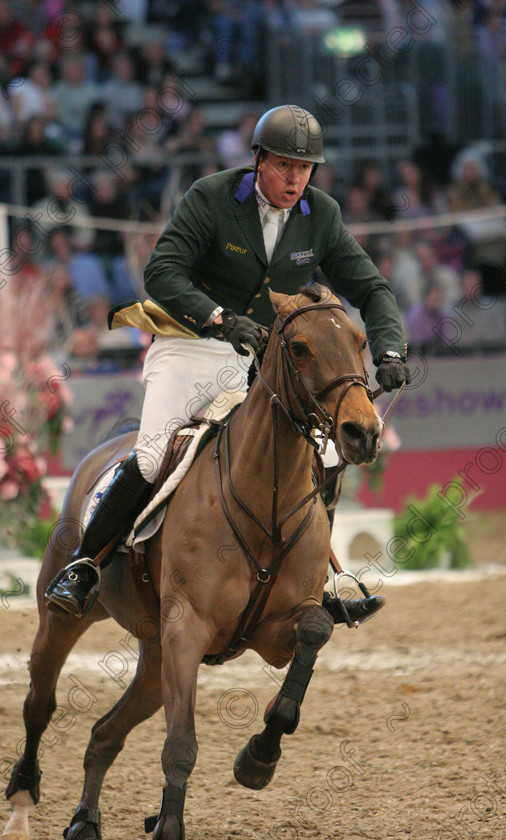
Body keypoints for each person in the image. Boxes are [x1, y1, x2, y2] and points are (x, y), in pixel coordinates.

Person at [46, 105, 411, 623]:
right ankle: (84, 566)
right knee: (152, 457)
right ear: (259, 159)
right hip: (190, 344)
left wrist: (391, 349)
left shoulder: (321, 214)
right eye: (284, 165)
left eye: (304, 168)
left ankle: (315, 582)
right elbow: (162, 270)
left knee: (324, 457)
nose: (294, 179)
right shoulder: (212, 197)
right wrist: (219, 319)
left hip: (260, 362)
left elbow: (372, 289)